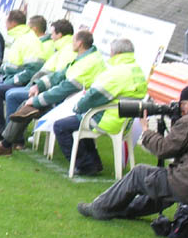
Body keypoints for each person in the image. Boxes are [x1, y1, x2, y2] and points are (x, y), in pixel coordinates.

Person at [78, 84, 188, 220]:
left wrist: (146, 130)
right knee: (161, 186)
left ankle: (98, 208)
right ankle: (123, 211)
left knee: (139, 174)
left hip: (187, 183)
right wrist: (176, 122)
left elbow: (163, 149)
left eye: (184, 104)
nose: (181, 108)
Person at [0, 30, 105, 156]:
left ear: (79, 43)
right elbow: (59, 75)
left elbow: (65, 88)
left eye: (73, 41)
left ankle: (7, 143)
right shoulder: (85, 58)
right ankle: (8, 143)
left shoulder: (89, 62)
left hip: (74, 105)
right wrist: (38, 86)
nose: (71, 44)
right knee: (26, 105)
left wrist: (37, 99)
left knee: (26, 105)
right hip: (69, 100)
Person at [53, 38, 148, 176]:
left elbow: (94, 96)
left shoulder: (116, 72)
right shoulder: (138, 71)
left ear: (116, 52)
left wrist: (78, 107)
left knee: (61, 126)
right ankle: (94, 163)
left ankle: (84, 165)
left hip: (107, 120)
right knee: (81, 122)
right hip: (124, 121)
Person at [0, 13, 48, 141]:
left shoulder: (27, 40)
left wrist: (11, 79)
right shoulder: (19, 37)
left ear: (12, 23)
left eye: (7, 22)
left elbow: (32, 69)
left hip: (23, 82)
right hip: (13, 78)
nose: (5, 25)